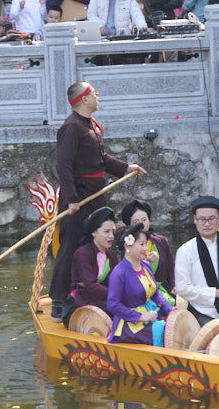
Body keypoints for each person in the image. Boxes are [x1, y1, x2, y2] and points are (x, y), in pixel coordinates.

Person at [49, 82, 146, 317]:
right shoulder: (71, 127)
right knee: (70, 246)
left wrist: (126, 168)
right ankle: (59, 299)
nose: (97, 95)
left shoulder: (90, 124)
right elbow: (63, 165)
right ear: (84, 99)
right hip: (79, 197)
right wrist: (71, 199)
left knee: (98, 244)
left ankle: (91, 290)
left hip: (95, 195)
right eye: (93, 93)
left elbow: (101, 158)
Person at [173, 196, 219, 326]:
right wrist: (215, 293)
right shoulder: (185, 250)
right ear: (195, 219)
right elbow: (183, 288)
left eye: (211, 218)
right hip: (202, 310)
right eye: (202, 219)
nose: (207, 224)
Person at [107, 223, 174, 345]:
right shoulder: (119, 272)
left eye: (146, 244)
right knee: (164, 331)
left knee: (173, 328)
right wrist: (140, 316)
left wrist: (172, 311)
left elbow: (156, 294)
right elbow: (112, 304)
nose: (146, 248)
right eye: (141, 244)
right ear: (127, 245)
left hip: (150, 316)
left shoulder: (146, 265)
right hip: (129, 324)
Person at [65, 206, 119, 321]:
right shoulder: (82, 253)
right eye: (106, 231)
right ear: (94, 232)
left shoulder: (112, 256)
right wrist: (117, 295)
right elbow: (92, 286)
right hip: (79, 303)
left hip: (102, 300)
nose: (111, 236)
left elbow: (117, 281)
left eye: (113, 231)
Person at [118, 199, 175, 300]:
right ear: (129, 225)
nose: (142, 225)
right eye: (136, 222)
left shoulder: (161, 241)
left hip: (165, 294)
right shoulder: (127, 247)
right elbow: (130, 276)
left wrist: (173, 287)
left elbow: (171, 269)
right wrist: (146, 261)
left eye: (144, 220)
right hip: (141, 297)